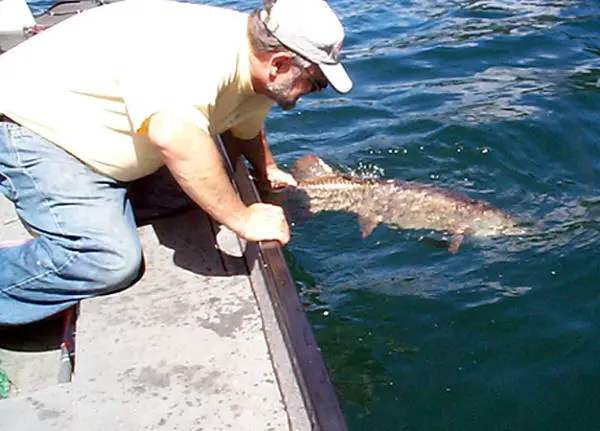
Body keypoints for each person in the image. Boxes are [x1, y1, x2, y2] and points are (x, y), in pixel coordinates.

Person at [0, 0, 353, 326]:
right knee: (109, 260)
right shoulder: (196, 54)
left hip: (92, 136)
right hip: (33, 131)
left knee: (209, 188)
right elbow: (173, 134)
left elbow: (245, 126)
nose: (312, 91)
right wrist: (243, 220)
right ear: (279, 64)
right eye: (315, 83)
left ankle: (83, 215)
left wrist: (268, 171)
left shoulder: (255, 64)